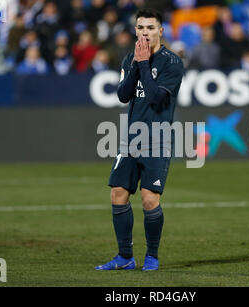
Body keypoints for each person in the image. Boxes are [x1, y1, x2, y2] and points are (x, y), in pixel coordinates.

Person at [95, 8, 184, 271]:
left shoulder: (172, 62)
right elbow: (123, 95)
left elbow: (157, 98)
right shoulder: (129, 59)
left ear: (161, 31)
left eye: (151, 28)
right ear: (136, 30)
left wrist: (144, 64)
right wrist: (136, 63)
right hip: (131, 138)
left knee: (149, 199)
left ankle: (152, 256)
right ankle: (125, 257)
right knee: (118, 194)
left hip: (158, 138)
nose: (145, 32)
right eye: (141, 27)